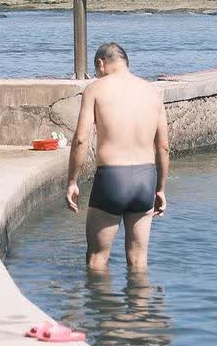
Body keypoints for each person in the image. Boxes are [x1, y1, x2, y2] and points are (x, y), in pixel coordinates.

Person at [65, 42, 169, 273]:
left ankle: (103, 309)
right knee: (138, 262)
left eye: (96, 69)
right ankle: (141, 309)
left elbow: (81, 139)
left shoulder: (96, 89)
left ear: (101, 64)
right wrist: (160, 188)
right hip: (145, 179)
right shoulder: (152, 92)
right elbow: (163, 147)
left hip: (112, 178)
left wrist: (72, 181)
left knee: (97, 260)